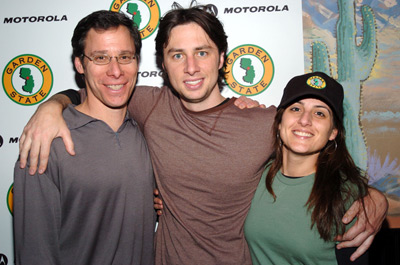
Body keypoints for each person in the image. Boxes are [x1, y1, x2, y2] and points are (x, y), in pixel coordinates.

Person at [18, 5, 387, 265]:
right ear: (162, 62)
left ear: (222, 58)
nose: (191, 67)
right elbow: (98, 90)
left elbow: (316, 146)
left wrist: (373, 197)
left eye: (202, 52)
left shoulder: (263, 122)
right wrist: (51, 106)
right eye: (177, 55)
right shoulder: (147, 104)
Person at [13, 10, 155, 265]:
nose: (116, 71)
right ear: (80, 64)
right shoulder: (46, 142)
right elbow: (35, 254)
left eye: (125, 57)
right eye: (101, 58)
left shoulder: (149, 128)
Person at [244, 72, 370, 264]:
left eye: (319, 113)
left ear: (333, 132)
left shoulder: (346, 196)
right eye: (295, 109)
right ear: (279, 122)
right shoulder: (254, 175)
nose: (305, 120)